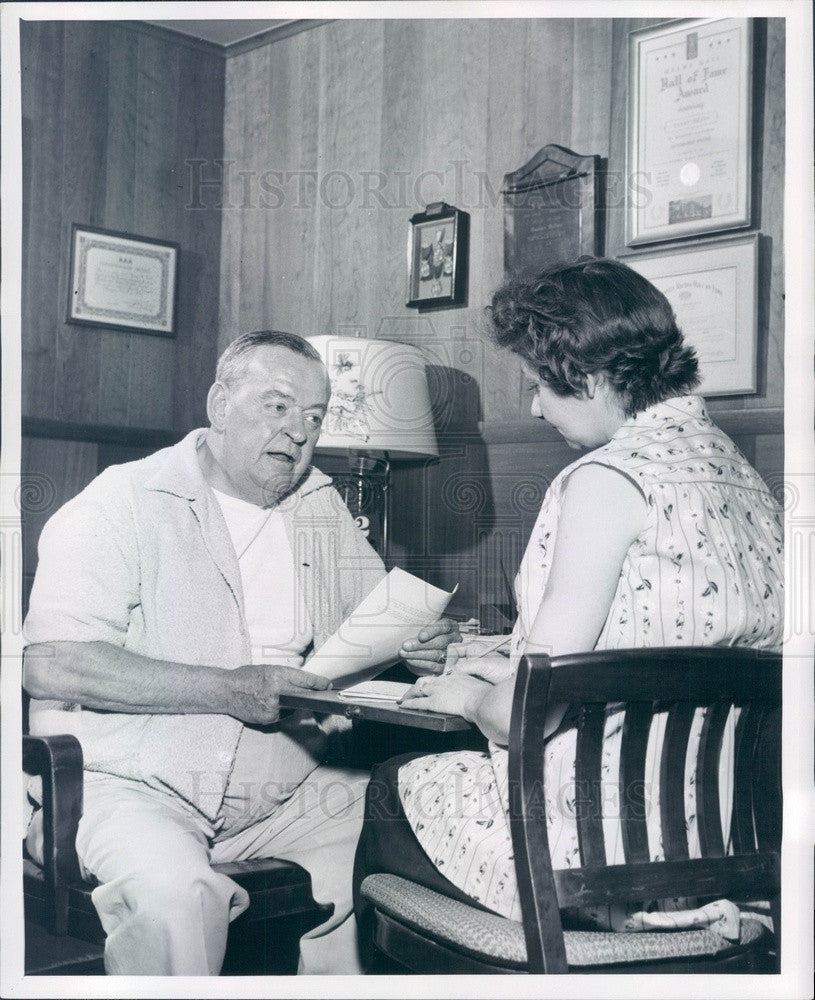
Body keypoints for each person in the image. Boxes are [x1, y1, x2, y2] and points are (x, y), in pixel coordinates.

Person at [354, 258, 784, 941]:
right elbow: (642, 646)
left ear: (582, 377)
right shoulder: (743, 480)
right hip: (730, 857)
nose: (531, 407)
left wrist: (466, 695)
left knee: (389, 782)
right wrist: (487, 661)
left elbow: (529, 708)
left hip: (600, 858)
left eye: (536, 387)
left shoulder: (606, 480)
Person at [22, 330, 458, 976]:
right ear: (219, 404)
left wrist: (421, 647)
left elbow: (378, 621)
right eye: (277, 407)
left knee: (406, 839)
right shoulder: (121, 503)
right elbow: (50, 663)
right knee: (177, 895)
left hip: (284, 789)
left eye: (314, 417)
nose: (299, 434)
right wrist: (228, 688)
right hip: (138, 783)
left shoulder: (316, 503)